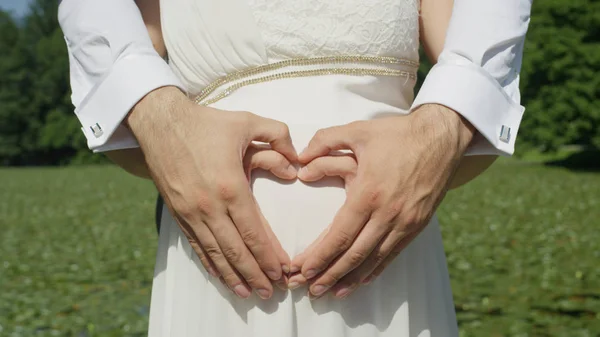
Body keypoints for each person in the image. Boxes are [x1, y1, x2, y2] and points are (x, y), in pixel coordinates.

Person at [58, 0, 532, 336]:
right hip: (218, 284)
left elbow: (480, 29)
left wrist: (446, 122)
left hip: (393, 271)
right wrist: (154, 110)